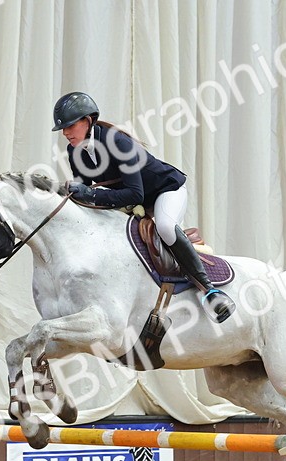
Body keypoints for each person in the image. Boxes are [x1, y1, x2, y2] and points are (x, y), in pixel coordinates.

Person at [52, 91, 235, 323]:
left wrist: (92, 194)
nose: (66, 133)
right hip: (133, 200)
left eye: (70, 126)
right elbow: (85, 192)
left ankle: (210, 291)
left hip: (165, 191)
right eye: (63, 129)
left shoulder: (118, 142)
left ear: (88, 121)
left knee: (166, 227)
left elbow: (134, 194)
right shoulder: (74, 151)